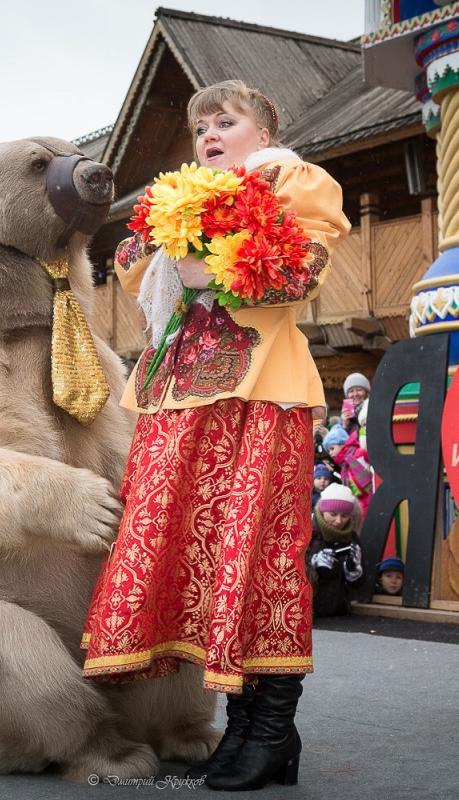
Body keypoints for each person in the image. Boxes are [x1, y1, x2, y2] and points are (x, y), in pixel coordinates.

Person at [80, 79, 352, 790]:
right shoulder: (180, 199)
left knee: (257, 556)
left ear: (262, 132)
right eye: (201, 126)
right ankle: (247, 731)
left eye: (225, 121)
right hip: (179, 396)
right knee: (205, 565)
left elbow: (300, 275)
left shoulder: (292, 178)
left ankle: (271, 728)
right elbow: (131, 263)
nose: (207, 134)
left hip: (259, 391)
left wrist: (219, 255)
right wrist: (181, 235)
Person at [307, 483, 363, 617]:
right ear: (322, 510)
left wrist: (354, 571)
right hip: (310, 612)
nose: (338, 521)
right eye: (333, 514)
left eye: (344, 516)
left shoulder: (352, 536)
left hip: (339, 610)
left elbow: (358, 585)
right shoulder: (308, 532)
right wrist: (312, 563)